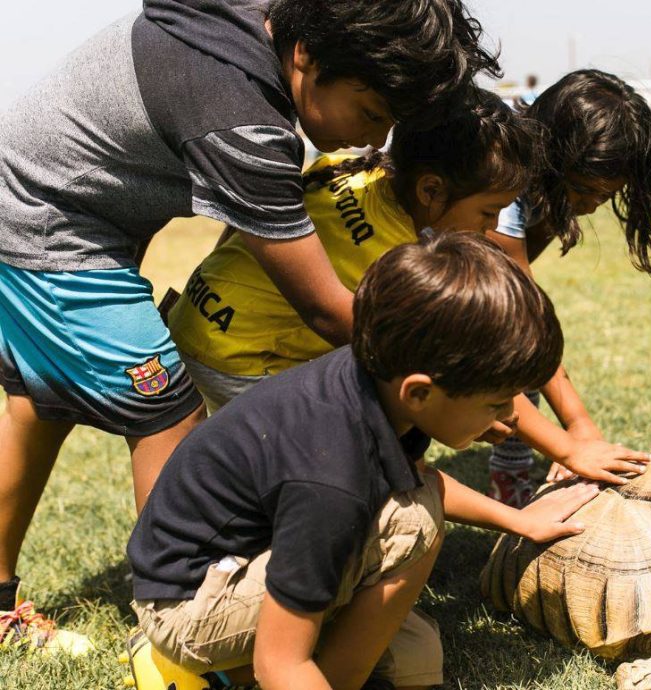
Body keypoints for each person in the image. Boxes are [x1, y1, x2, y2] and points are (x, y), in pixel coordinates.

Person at [0, 0, 500, 650]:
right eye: (372, 113)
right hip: (49, 220)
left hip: (50, 197)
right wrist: (456, 376)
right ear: (306, 59)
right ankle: (179, 618)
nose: (376, 141)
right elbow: (327, 310)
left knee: (40, 408)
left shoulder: (270, 20)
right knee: (166, 411)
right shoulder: (242, 121)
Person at [122, 232, 598, 690]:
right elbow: (280, 662)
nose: (512, 416)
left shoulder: (377, 383)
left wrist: (519, 521)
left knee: (416, 656)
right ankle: (207, 672)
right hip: (189, 605)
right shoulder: (331, 481)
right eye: (496, 403)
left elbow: (419, 481)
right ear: (420, 392)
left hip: (248, 556)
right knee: (412, 525)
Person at [167, 90, 539, 410]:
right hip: (239, 358)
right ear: (430, 190)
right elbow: (404, 359)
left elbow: (248, 222)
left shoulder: (342, 167)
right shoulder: (396, 258)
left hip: (191, 318)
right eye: (488, 212)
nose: (491, 228)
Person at [485, 69, 651, 507]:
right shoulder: (503, 180)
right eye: (584, 190)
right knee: (510, 340)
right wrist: (577, 429)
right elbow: (520, 314)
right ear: (553, 157)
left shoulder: (550, 180)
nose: (588, 206)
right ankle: (510, 483)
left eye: (604, 198)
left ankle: (511, 472)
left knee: (523, 346)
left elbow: (525, 301)